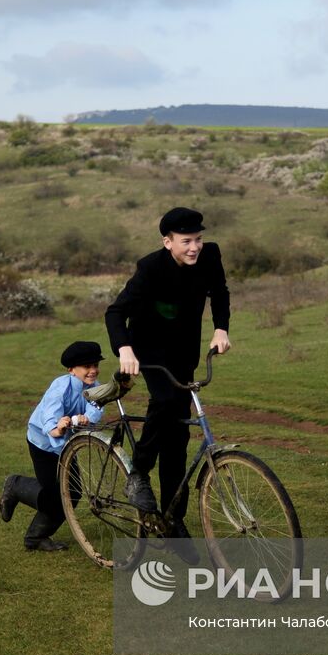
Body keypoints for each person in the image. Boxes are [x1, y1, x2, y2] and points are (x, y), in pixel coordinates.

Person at [104, 207, 231, 544]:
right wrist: (125, 349)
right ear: (167, 241)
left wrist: (221, 329)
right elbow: (115, 312)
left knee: (176, 440)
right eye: (186, 241)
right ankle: (138, 473)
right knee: (164, 399)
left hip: (183, 353)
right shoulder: (150, 268)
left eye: (198, 239)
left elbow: (219, 292)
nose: (195, 247)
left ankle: (173, 521)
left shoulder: (210, 256)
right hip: (148, 351)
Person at [0, 340, 107, 552]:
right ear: (71, 369)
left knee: (72, 494)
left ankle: (36, 538)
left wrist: (87, 417)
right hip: (43, 444)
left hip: (66, 446)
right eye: (87, 366)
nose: (93, 371)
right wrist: (56, 428)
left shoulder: (94, 387)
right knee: (55, 497)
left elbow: (96, 408)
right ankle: (16, 486)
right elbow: (50, 412)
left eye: (95, 365)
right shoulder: (61, 386)